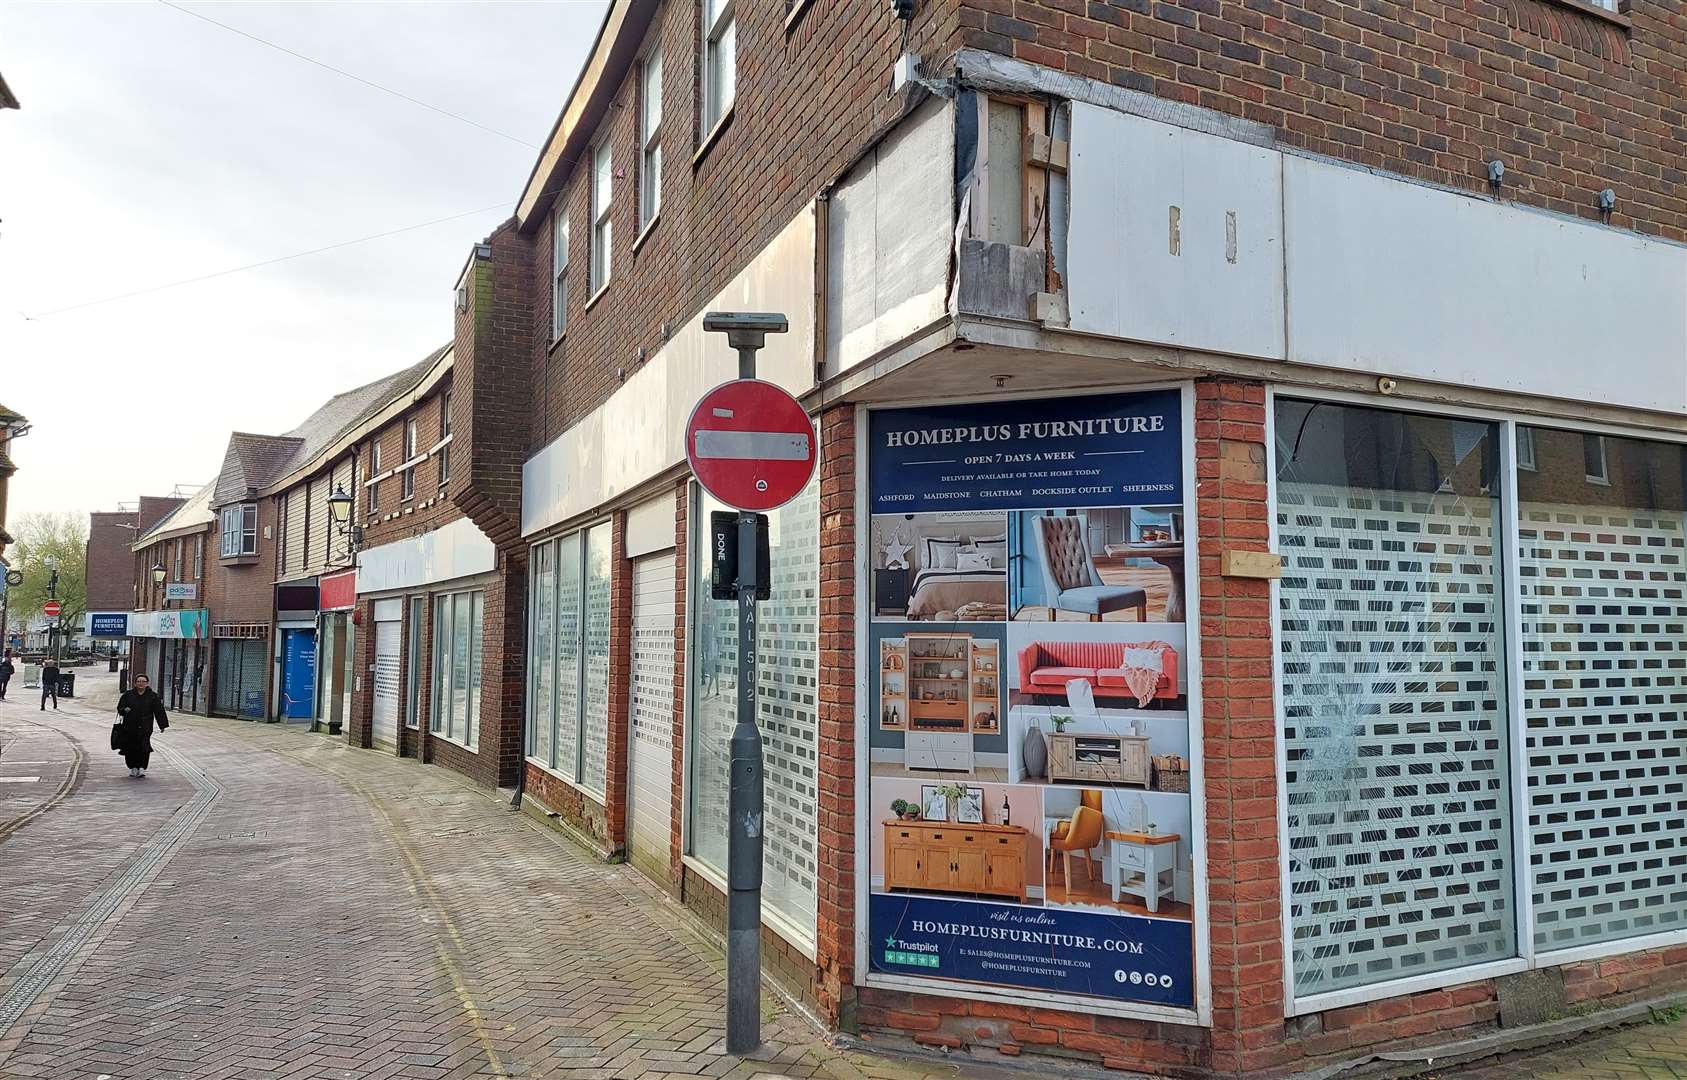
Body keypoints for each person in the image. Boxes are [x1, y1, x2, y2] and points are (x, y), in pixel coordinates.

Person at [115, 673, 168, 777]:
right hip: (130, 726)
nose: (141, 684)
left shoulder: (152, 696)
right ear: (135, 683)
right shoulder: (128, 695)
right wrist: (124, 710)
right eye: (139, 681)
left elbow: (159, 711)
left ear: (147, 683)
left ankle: (142, 767)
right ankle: (133, 767)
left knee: (144, 747)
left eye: (143, 682)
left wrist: (162, 725)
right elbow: (120, 708)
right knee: (131, 747)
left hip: (145, 726)